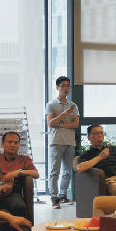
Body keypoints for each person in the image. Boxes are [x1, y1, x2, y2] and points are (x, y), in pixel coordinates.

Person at [46, 76, 80, 208]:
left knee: (67, 171)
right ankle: (54, 197)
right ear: (57, 87)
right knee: (55, 171)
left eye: (68, 86)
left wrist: (60, 125)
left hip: (70, 141)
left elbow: (75, 124)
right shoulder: (51, 104)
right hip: (56, 141)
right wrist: (63, 114)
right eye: (63, 86)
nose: (66, 88)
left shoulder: (73, 105)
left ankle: (63, 195)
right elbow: (50, 123)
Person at [0, 131, 39, 216]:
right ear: (2, 144)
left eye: (16, 143)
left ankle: (23, 224)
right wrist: (0, 186)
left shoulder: (24, 159)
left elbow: (36, 174)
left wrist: (19, 172)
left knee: (19, 207)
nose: (13, 145)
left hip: (13, 193)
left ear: (19, 145)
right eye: (9, 142)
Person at [76, 125, 116, 195]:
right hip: (109, 181)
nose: (100, 135)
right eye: (96, 133)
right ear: (89, 137)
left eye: (101, 133)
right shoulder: (87, 154)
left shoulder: (113, 149)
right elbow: (80, 168)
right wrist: (100, 157)